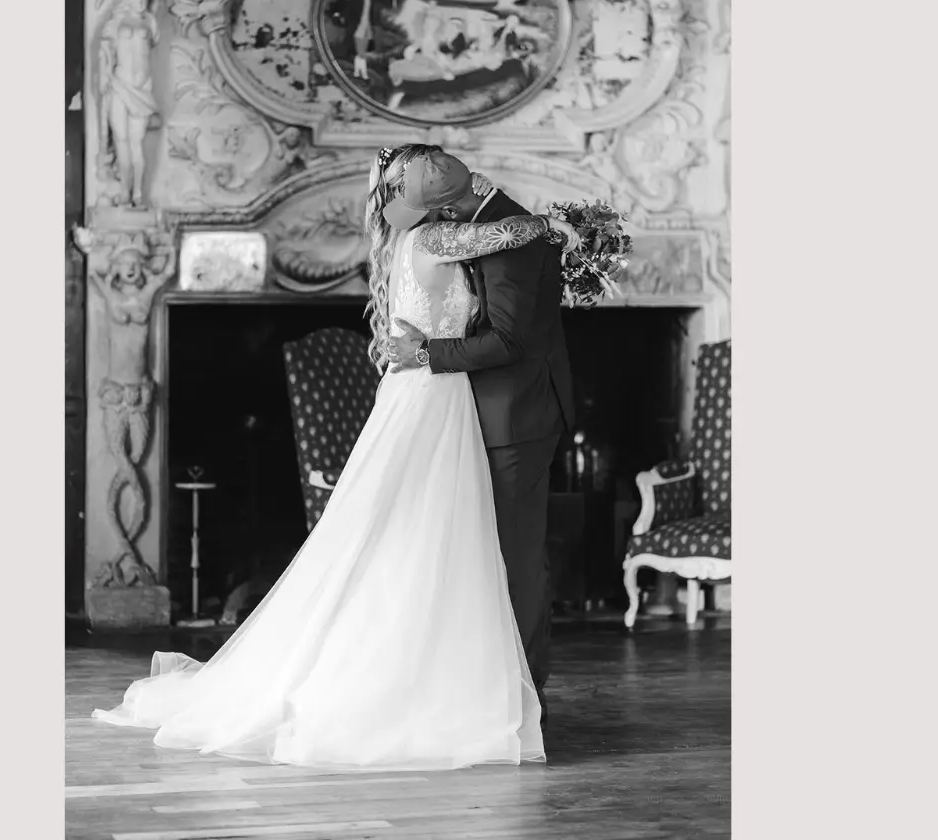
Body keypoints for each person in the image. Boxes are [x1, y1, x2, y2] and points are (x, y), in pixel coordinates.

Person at [91, 144, 579, 770]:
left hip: (435, 396)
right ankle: (434, 683)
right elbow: (516, 230)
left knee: (420, 538)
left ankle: (445, 675)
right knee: (424, 537)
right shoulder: (437, 242)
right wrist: (555, 224)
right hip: (433, 393)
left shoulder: (409, 240)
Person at [378, 145, 574, 728]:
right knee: (461, 551)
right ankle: (472, 683)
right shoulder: (464, 230)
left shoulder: (497, 233)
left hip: (510, 417)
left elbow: (512, 342)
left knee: (513, 557)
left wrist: (425, 352)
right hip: (460, 409)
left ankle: (523, 694)